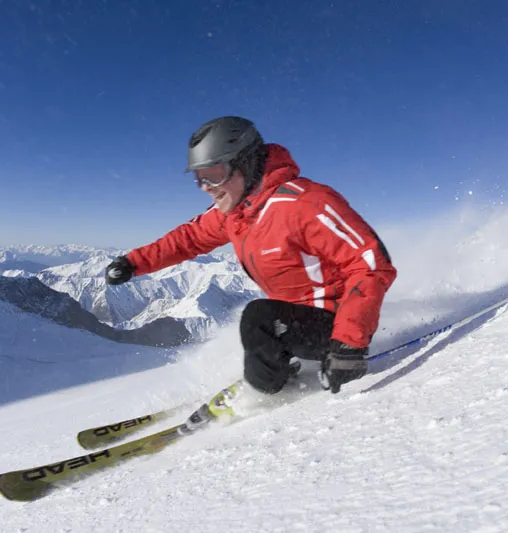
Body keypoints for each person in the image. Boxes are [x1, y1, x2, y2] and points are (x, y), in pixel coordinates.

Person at [105, 116, 396, 394]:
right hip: (298, 320)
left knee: (259, 317)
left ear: (246, 162)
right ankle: (275, 371)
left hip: (337, 326)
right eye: (199, 178)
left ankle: (267, 391)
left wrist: (348, 343)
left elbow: (371, 264)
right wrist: (134, 262)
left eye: (214, 175)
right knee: (262, 320)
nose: (206, 188)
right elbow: (188, 238)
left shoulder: (304, 203)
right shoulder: (237, 214)